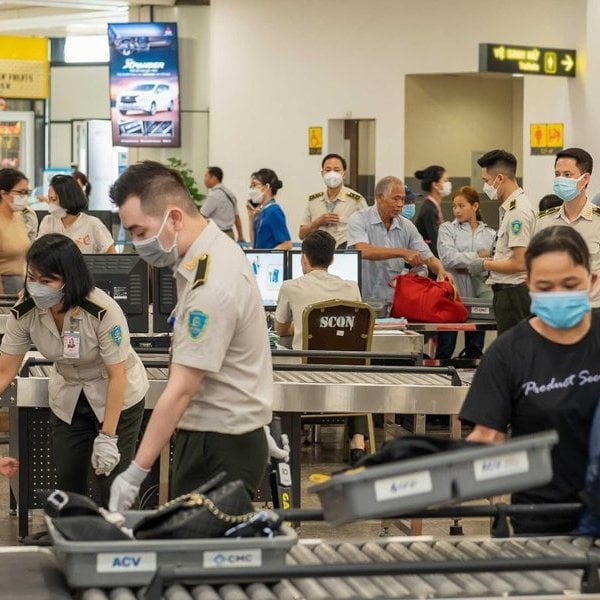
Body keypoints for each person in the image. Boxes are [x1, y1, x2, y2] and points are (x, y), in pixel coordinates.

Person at [108, 160, 274, 511]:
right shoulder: (212, 254)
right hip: (223, 435)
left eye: (140, 232)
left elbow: (183, 388)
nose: (138, 244)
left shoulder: (210, 284)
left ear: (174, 218)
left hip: (219, 444)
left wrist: (136, 470)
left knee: (201, 559)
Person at [460, 226, 600, 535]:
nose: (559, 295)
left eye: (570, 284)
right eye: (546, 287)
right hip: (543, 522)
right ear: (529, 286)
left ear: (591, 281)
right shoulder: (508, 353)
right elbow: (486, 440)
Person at [0, 234, 148, 506]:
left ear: (70, 278)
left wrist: (108, 437)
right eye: (32, 278)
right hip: (68, 393)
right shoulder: (26, 312)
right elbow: (4, 372)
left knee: (111, 482)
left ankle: (117, 539)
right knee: (69, 478)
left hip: (115, 394)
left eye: (47, 281)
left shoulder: (102, 310)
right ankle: (74, 539)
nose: (37, 287)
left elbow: (118, 376)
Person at [274, 230, 367, 464]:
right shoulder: (351, 288)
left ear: (303, 258)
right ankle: (358, 442)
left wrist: (306, 326)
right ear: (333, 259)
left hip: (306, 373)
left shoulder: (290, 287)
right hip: (344, 375)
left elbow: (280, 330)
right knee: (352, 372)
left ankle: (285, 440)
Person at [346, 175, 451, 305]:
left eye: (402, 199)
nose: (400, 204)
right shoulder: (359, 219)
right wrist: (402, 252)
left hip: (392, 303)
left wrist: (441, 270)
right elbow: (363, 251)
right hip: (360, 300)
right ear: (379, 197)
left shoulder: (407, 226)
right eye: (396, 199)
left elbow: (429, 258)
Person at [468, 149, 535, 335]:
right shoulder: (510, 207)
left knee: (514, 355)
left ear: (500, 178)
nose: (485, 187)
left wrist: (486, 264)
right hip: (507, 293)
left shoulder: (518, 212)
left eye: (486, 181)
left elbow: (520, 262)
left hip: (513, 295)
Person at [536, 148, 600, 311]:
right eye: (557, 174)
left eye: (567, 175)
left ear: (585, 178)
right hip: (553, 310)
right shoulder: (544, 221)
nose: (560, 180)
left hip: (593, 310)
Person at [436, 186, 496, 358]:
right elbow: (449, 258)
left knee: (475, 351)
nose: (456, 210)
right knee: (445, 349)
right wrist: (479, 257)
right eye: (454, 206)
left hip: (479, 298)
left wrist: (471, 262)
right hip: (451, 296)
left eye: (461, 206)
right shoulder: (447, 229)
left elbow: (494, 261)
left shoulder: (490, 234)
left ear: (475, 206)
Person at [299, 153, 367, 249]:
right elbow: (301, 234)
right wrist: (317, 222)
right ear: (322, 173)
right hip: (318, 255)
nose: (332, 174)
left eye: (336, 170)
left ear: (344, 173)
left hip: (344, 254)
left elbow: (367, 232)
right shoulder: (314, 200)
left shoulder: (356, 200)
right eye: (328, 170)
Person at [37, 174, 116, 254]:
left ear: (67, 199)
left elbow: (112, 255)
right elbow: (37, 254)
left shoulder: (93, 224)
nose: (50, 204)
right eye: (49, 199)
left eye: (53, 200)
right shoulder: (48, 221)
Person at [0, 168, 34, 294]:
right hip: (4, 287)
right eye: (21, 192)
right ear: (4, 193)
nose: (24, 197)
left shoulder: (18, 216)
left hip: (21, 283)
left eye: (27, 192)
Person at [246, 168, 291, 250]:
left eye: (255, 185)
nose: (252, 189)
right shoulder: (260, 212)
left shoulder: (274, 211)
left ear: (266, 187)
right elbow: (254, 244)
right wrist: (250, 218)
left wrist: (267, 257)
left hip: (270, 261)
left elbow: (286, 245)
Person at [414, 165, 452, 258]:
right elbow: (435, 241)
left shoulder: (434, 206)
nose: (448, 184)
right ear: (435, 185)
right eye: (445, 180)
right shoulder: (429, 209)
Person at [201, 166, 245, 242]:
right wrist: (240, 236)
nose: (204, 179)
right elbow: (237, 217)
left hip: (217, 236)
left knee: (210, 254)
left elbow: (202, 216)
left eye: (206, 176)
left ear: (214, 178)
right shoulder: (230, 193)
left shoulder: (214, 195)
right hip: (230, 235)